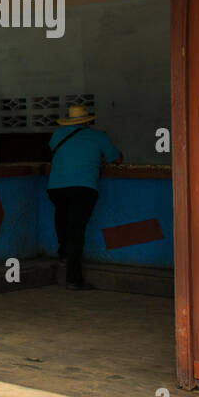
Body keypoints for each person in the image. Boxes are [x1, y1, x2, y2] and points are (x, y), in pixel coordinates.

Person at [47, 105, 121, 291]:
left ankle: (63, 252)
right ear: (87, 121)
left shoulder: (58, 135)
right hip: (83, 188)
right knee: (76, 231)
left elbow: (57, 152)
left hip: (55, 187)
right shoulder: (99, 136)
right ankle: (73, 278)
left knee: (62, 217)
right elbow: (116, 158)